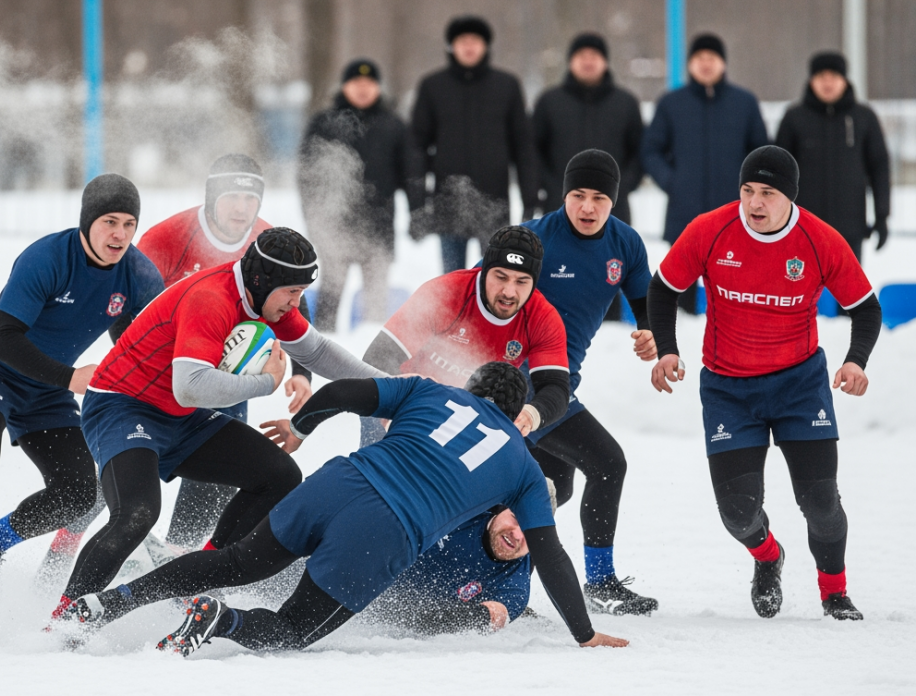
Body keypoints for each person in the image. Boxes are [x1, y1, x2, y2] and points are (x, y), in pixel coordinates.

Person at [68, 363, 628, 654]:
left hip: (340, 481)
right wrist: (583, 631)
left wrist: (299, 427)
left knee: (237, 562)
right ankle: (220, 619)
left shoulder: (432, 391)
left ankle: (112, 600)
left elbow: (340, 394)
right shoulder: (525, 468)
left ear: (471, 385)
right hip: (385, 530)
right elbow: (549, 553)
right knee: (291, 629)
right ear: (519, 412)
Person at [46, 228, 387, 623]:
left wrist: (391, 387)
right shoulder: (212, 298)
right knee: (137, 513)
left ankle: (197, 573)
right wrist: (267, 383)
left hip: (177, 414)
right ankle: (63, 618)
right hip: (122, 407)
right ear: (262, 281)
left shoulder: (264, 298)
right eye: (292, 292)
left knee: (279, 476)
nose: (297, 302)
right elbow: (191, 387)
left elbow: (318, 351)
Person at [38, 154, 310, 575]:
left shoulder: (268, 241)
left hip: (226, 373)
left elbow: (292, 309)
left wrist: (301, 375)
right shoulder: (170, 237)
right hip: (156, 379)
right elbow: (129, 312)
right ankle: (63, 548)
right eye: (232, 196)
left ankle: (179, 564)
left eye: (250, 198)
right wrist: (160, 369)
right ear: (211, 197)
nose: (242, 208)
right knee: (123, 480)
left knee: (221, 476)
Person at [646, 145, 882, 621]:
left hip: (800, 386)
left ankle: (834, 592)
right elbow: (663, 289)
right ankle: (768, 557)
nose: (755, 203)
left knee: (820, 502)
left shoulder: (819, 239)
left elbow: (865, 308)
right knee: (737, 512)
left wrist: (855, 361)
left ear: (789, 197)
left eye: (768, 193)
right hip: (729, 390)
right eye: (747, 190)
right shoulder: (710, 230)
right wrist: (667, 347)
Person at [0, 174, 164, 600]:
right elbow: (2, 339)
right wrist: (71, 378)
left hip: (45, 389)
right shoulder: (46, 258)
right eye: (109, 222)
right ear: (86, 221)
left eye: (129, 225)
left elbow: (141, 343)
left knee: (81, 493)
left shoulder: (139, 274)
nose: (119, 235)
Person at [520, 149, 659, 614]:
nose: (587, 207)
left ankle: (496, 580)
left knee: (552, 484)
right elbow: (481, 296)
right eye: (577, 195)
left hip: (560, 388)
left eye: (599, 198)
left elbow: (647, 303)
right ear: (564, 195)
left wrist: (650, 333)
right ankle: (598, 583)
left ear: (614, 201)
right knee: (606, 463)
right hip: (520, 386)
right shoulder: (533, 239)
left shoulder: (626, 245)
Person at [358, 225, 571, 447]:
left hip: (469, 418)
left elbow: (555, 388)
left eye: (521, 282)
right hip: (407, 401)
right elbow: (376, 358)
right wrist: (378, 428)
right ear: (484, 271)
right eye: (501, 277)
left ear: (534, 282)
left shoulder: (543, 318)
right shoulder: (445, 293)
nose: (509, 292)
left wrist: (532, 414)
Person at [642, 33, 768, 314]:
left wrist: (751, 192)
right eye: (700, 58)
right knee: (681, 293)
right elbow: (651, 150)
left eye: (712, 58)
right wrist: (672, 182)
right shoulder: (671, 103)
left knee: (734, 289)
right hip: (684, 211)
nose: (706, 64)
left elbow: (762, 153)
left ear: (723, 63)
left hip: (735, 213)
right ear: (690, 64)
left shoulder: (744, 103)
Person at [410, 15, 539, 273]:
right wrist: (417, 203)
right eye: (462, 41)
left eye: (475, 41)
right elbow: (416, 147)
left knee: (495, 275)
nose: (469, 46)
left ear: (486, 46)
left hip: (494, 204)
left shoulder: (507, 86)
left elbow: (523, 147)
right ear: (451, 46)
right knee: (452, 281)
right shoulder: (432, 86)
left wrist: (529, 200)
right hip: (449, 203)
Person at [299, 58, 411, 329]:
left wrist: (418, 211)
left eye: (369, 83)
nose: (363, 89)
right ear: (344, 86)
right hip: (334, 227)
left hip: (379, 228)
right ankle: (323, 344)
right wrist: (313, 221)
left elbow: (410, 172)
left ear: (378, 87)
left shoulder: (393, 125)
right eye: (356, 83)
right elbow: (306, 176)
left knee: (376, 301)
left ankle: (370, 355)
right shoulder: (324, 123)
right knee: (331, 291)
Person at [775, 51, 891, 261]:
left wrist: (882, 216)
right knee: (802, 291)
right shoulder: (794, 118)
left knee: (847, 292)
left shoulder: (863, 117)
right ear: (811, 80)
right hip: (801, 229)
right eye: (821, 77)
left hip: (849, 230)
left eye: (834, 77)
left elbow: (879, 168)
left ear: (844, 80)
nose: (827, 83)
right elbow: (778, 173)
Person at [364, 507, 532, 635]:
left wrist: (407, 617)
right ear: (503, 509)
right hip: (372, 577)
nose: (517, 535)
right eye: (515, 518)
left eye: (529, 532)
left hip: (416, 616)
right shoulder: (464, 508)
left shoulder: (516, 587)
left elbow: (492, 616)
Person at [532, 33, 643, 225]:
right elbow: (532, 150)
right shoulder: (549, 101)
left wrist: (620, 186)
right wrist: (552, 186)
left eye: (594, 56)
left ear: (605, 62)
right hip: (559, 206)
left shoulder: (626, 103)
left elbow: (640, 151)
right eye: (582, 56)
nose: (588, 61)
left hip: (613, 209)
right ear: (571, 61)